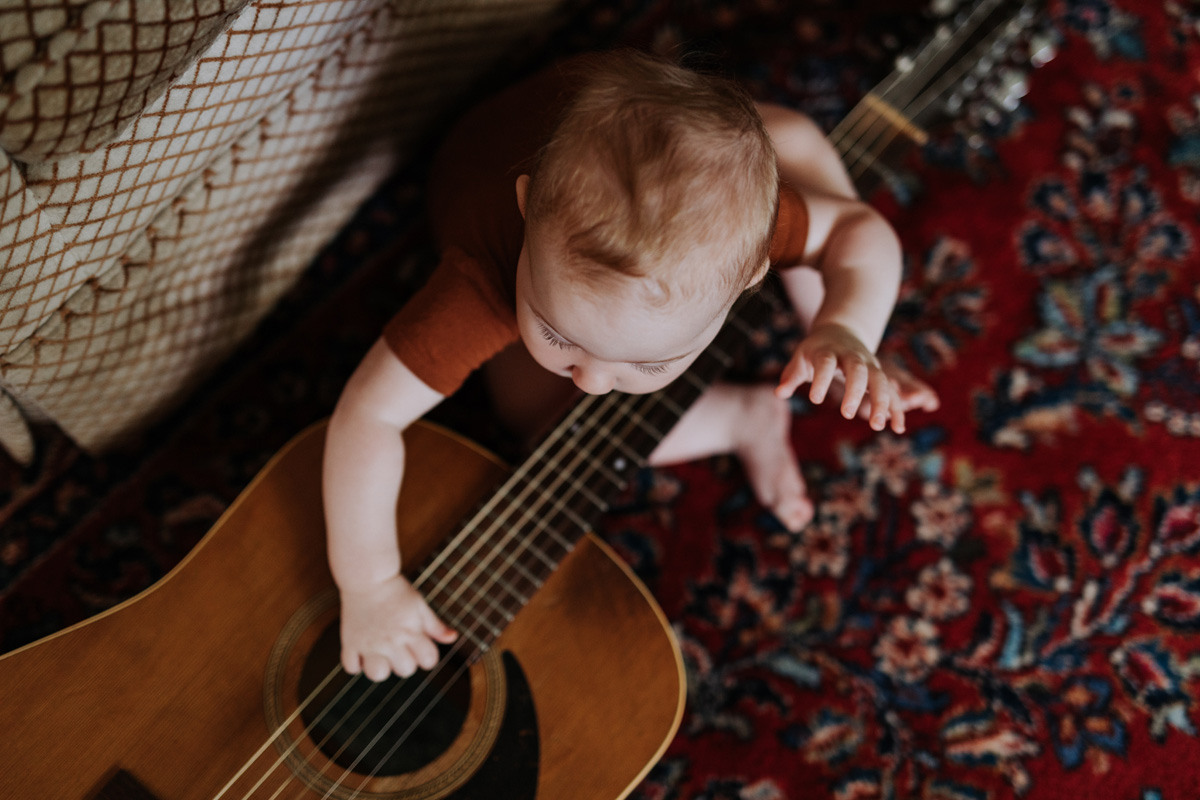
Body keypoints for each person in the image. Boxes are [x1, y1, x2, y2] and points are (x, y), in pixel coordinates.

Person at [322, 50, 939, 682]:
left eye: (649, 361)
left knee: (800, 160)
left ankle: (844, 351)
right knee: (534, 417)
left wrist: (845, 327)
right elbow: (366, 416)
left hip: (708, 147)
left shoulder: (748, 233)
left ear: (751, 274)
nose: (590, 381)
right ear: (528, 208)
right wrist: (369, 584)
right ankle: (741, 416)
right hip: (493, 138)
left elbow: (861, 233)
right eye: (557, 333)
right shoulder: (479, 282)